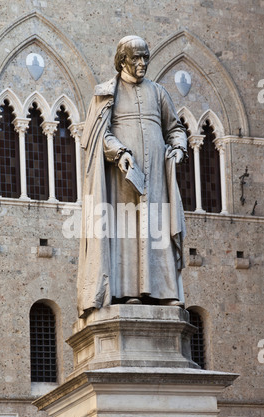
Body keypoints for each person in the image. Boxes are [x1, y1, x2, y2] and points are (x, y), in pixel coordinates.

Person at [77, 35, 188, 317]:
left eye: (145, 57)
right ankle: (127, 293)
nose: (142, 63)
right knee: (125, 233)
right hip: (122, 178)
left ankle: (165, 293)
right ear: (122, 60)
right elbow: (98, 135)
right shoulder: (106, 93)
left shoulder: (159, 93)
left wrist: (178, 147)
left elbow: (175, 128)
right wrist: (119, 153)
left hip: (156, 179)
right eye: (136, 58)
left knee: (158, 229)